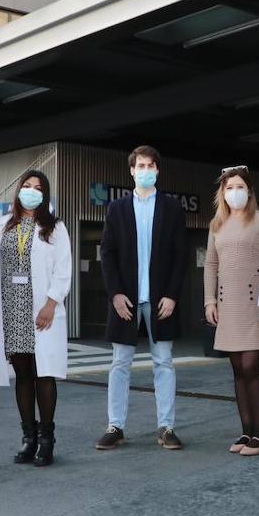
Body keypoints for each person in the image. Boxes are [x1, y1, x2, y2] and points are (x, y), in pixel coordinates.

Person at [96, 145, 188, 451]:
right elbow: (107, 254)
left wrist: (173, 295)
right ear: (132, 170)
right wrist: (116, 294)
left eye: (151, 166)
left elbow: (179, 256)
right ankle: (115, 426)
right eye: (140, 166)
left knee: (164, 362)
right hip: (127, 300)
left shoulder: (172, 207)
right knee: (120, 363)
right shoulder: (117, 209)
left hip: (161, 300)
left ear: (157, 170)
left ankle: (166, 427)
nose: (145, 171)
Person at [0, 170, 72, 467]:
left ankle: (47, 440)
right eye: (27, 186)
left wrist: (51, 303)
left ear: (45, 194)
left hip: (41, 310)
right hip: (12, 308)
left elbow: (64, 269)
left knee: (44, 374)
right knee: (22, 376)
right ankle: (29, 438)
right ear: (18, 190)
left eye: (38, 188)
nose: (31, 191)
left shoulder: (55, 227)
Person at [203, 166, 259, 456]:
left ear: (249, 190)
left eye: (240, 187)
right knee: (236, 370)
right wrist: (209, 300)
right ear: (223, 192)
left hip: (256, 305)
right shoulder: (216, 225)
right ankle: (246, 432)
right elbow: (211, 264)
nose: (235, 192)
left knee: (250, 368)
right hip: (228, 305)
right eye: (229, 187)